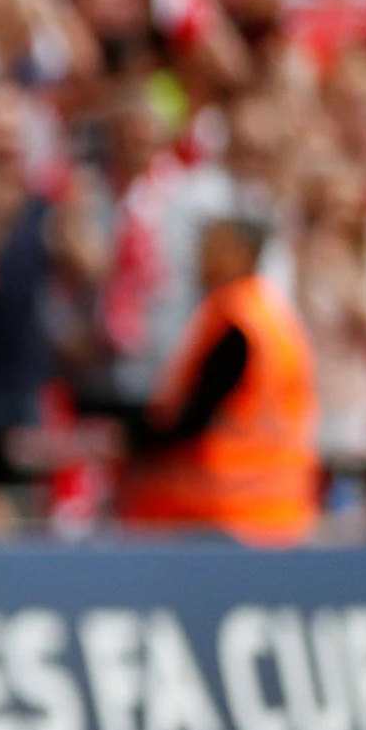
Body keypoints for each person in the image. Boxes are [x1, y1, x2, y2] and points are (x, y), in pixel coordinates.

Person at [114, 217, 318, 545]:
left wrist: (124, 437)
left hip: (227, 513)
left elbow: (197, 414)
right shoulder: (269, 313)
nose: (202, 258)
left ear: (244, 254)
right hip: (278, 511)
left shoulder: (238, 322)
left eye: (214, 248)